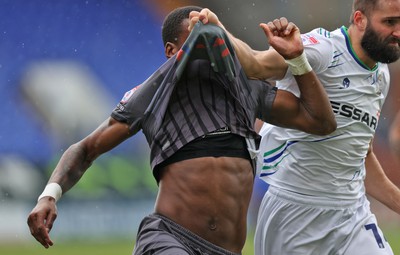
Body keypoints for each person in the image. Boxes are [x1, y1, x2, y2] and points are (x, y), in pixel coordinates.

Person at [27, 6, 335, 255]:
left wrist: (296, 59)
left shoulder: (248, 89)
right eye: (195, 38)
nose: (207, 45)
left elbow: (320, 121)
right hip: (169, 239)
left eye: (212, 36)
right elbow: (86, 148)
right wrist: (48, 196)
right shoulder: (153, 93)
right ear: (171, 50)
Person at [191, 1, 400, 254]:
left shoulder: (381, 74)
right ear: (359, 19)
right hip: (295, 213)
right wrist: (218, 29)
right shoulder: (324, 50)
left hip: (352, 215)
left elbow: (360, 157)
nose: (398, 32)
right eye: (390, 22)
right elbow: (255, 64)